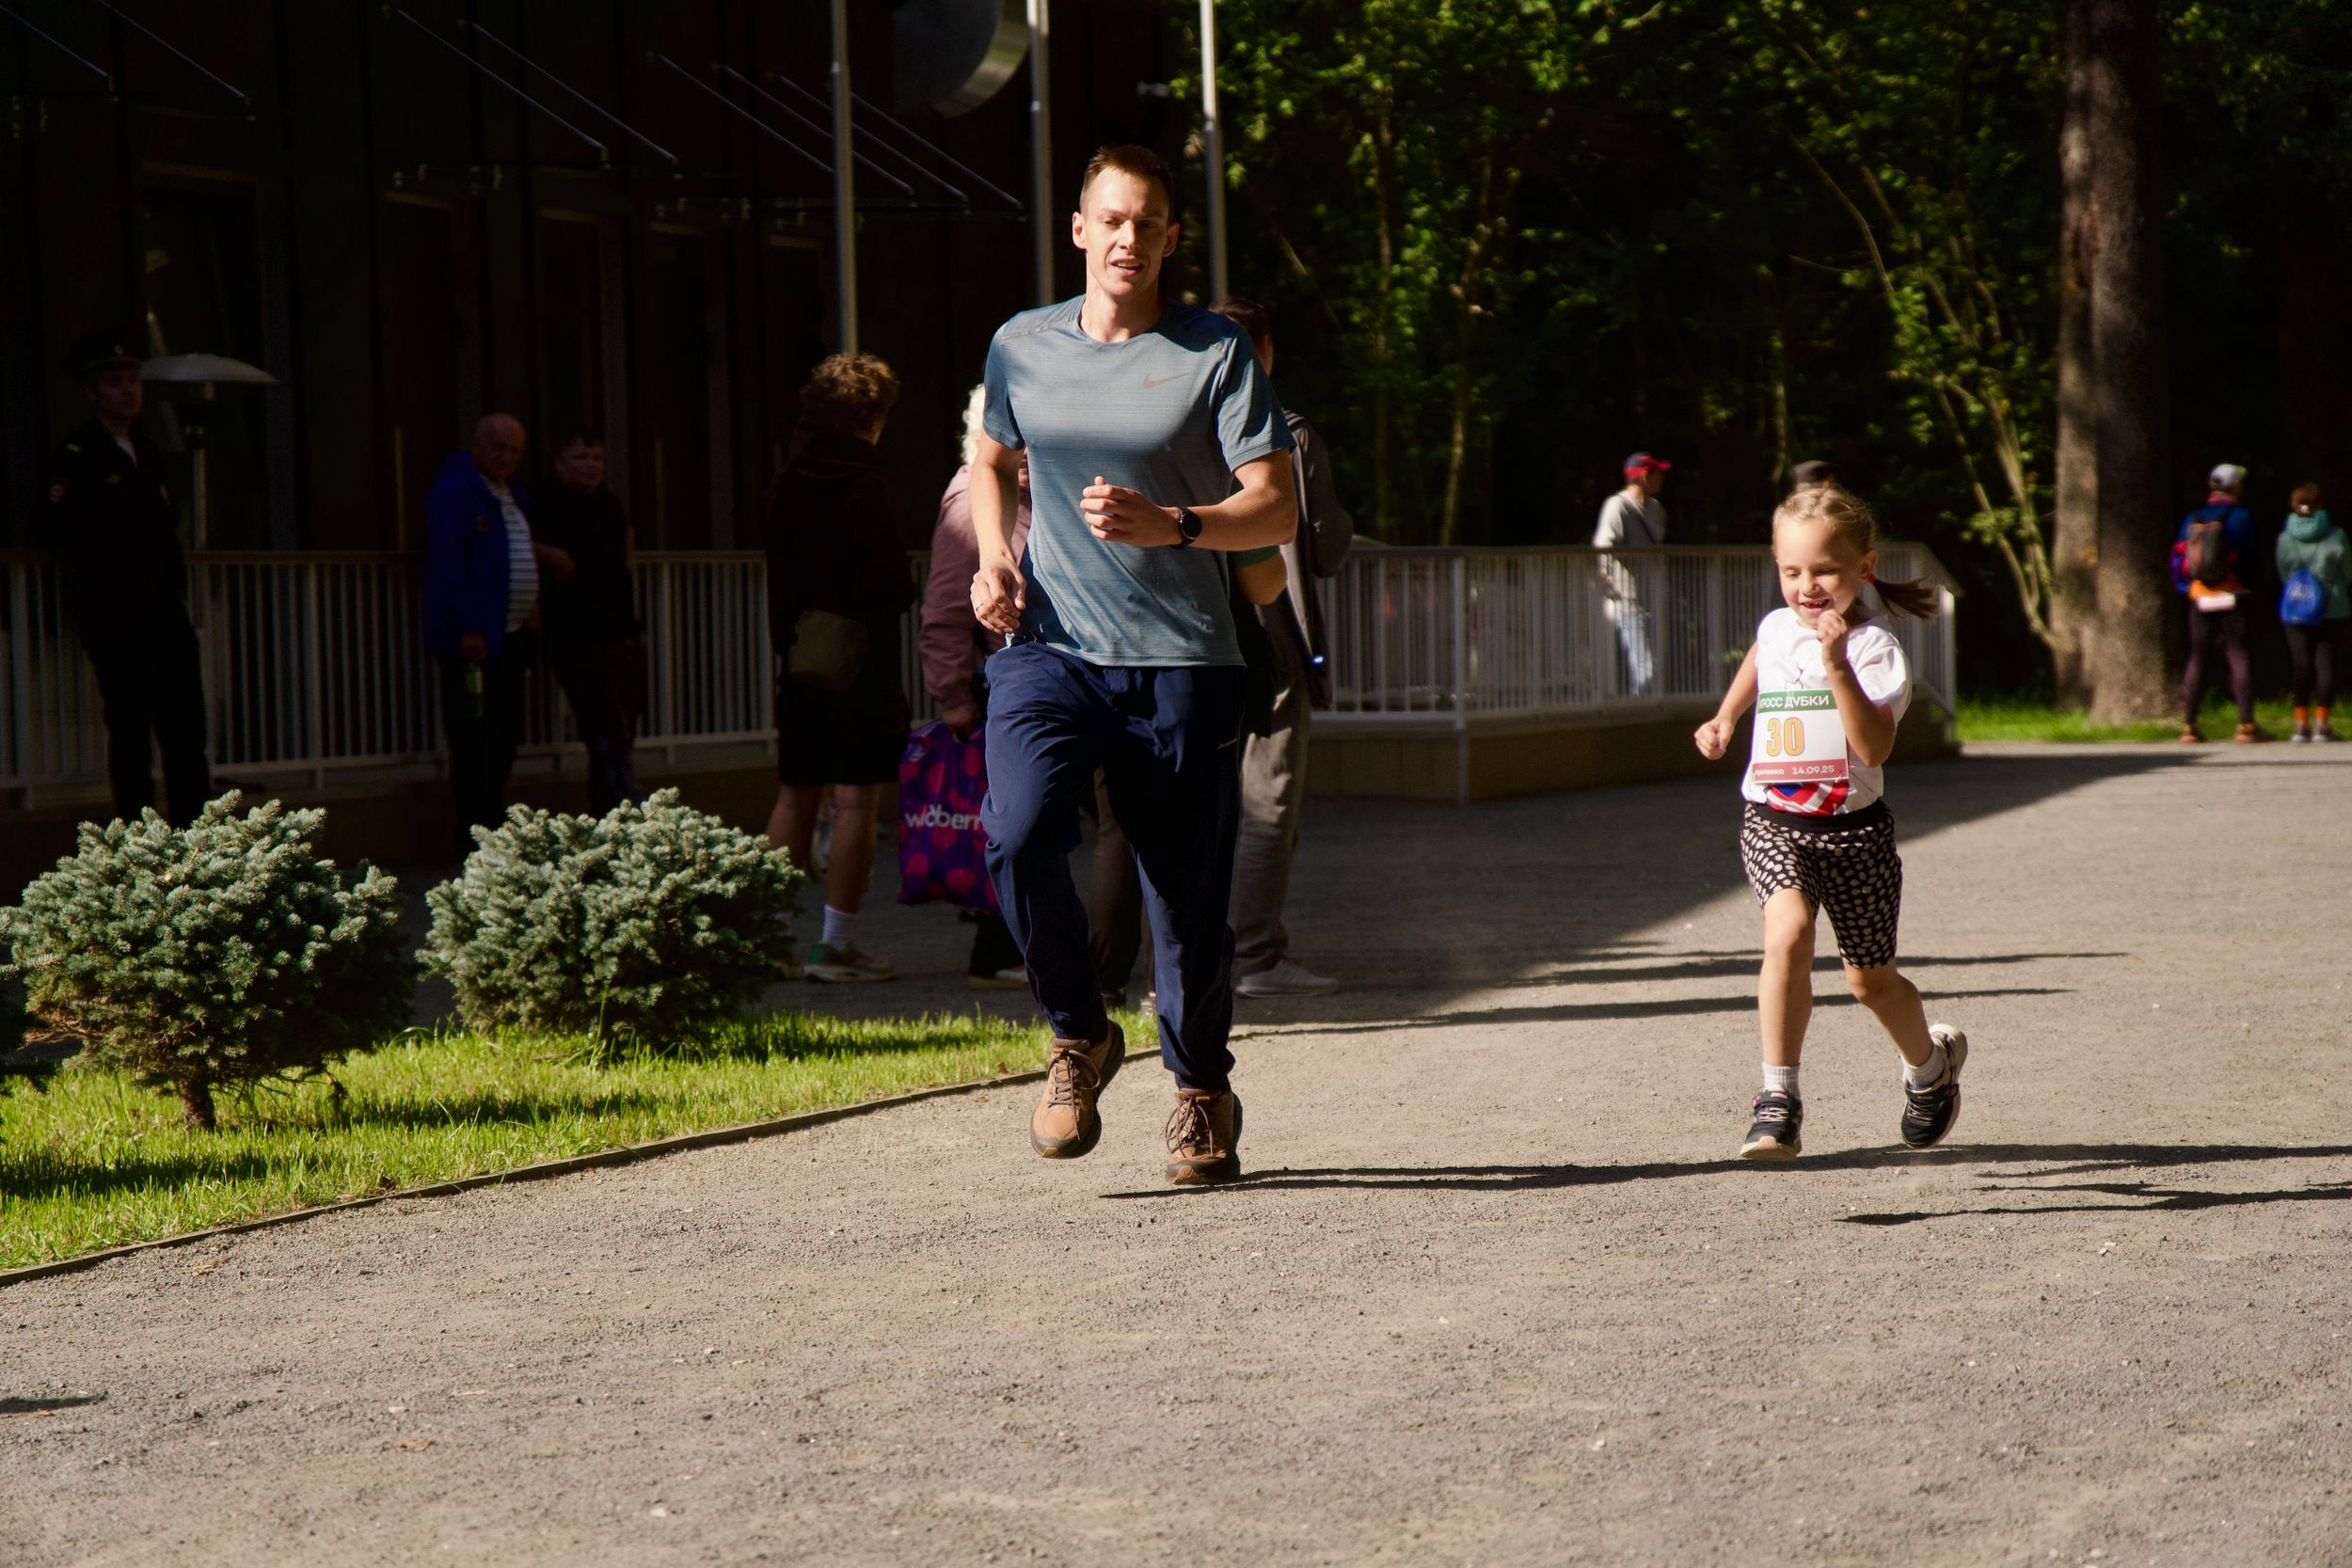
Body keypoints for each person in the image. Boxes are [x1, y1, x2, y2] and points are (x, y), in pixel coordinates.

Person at [970, 143, 1298, 1187]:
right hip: (1050, 649)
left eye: (1148, 223)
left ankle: (1200, 1091)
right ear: (1079, 229)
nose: (1129, 238)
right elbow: (992, 456)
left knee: (1183, 900)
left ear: (1169, 238)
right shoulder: (1021, 345)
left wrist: (1176, 523)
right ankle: (1080, 1033)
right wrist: (994, 555)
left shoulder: (1213, 352)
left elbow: (1277, 507)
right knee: (1017, 832)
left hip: (1183, 660)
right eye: (1111, 219)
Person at [1692, 483, 1969, 1162]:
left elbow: (1873, 748)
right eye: (1791, 571)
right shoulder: (1777, 625)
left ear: (1864, 567)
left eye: (1824, 570)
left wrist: (1836, 663)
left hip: (1855, 833)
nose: (1807, 587)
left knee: (1871, 982)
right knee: (1786, 932)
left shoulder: (1874, 649)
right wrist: (1726, 715)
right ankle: (1777, 1097)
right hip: (1774, 818)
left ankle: (1930, 1069)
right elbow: (1761, 653)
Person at [1208, 296, 1356, 999]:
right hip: (1273, 632)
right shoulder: (1288, 434)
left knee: (1186, 798)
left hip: (1186, 632)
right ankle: (1256, 957)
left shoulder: (1173, 426)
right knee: (1267, 798)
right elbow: (1325, 546)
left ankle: (1172, 962)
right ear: (1264, 351)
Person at [764, 353, 914, 984]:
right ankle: (835, 946)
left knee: (795, 794)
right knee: (855, 800)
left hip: (800, 658)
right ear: (871, 418)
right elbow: (889, 583)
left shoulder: (786, 480)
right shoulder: (866, 486)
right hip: (861, 664)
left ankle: (767, 936)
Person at [36, 328, 212, 826]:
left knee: (184, 725)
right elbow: (58, 531)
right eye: (114, 382)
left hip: (162, 608)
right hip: (115, 612)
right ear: (92, 392)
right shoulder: (78, 456)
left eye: (132, 380)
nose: (127, 390)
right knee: (130, 726)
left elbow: (165, 525)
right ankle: (136, 839)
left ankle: (196, 833)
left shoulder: (149, 451)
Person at [922, 387, 1032, 990]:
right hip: (994, 686)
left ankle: (1009, 948)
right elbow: (943, 611)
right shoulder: (971, 499)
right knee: (1012, 820)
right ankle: (997, 951)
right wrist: (954, 696)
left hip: (1030, 676)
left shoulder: (1033, 493)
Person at [422, 413, 550, 858]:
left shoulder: (514, 495)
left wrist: (529, 601)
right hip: (475, 643)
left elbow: (515, 552)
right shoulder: (456, 493)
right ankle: (473, 837)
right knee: (475, 741)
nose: (507, 458)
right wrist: (467, 627)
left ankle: (494, 826)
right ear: (477, 446)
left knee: (506, 736)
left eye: (515, 451)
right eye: (499, 448)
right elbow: (449, 566)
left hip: (512, 634)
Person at [532, 430, 647, 814]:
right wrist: (547, 554)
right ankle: (629, 809)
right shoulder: (546, 501)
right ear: (560, 462)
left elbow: (626, 542)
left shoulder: (609, 503)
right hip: (578, 634)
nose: (591, 465)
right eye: (581, 457)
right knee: (606, 728)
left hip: (621, 629)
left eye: (597, 458)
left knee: (623, 729)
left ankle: (606, 814)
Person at [2172, 462, 2261, 744]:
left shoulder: (2193, 517)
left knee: (2198, 657)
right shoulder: (2241, 517)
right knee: (2237, 654)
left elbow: (2179, 557)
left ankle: (2189, 727)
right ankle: (2246, 726)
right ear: (2234, 487)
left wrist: (2186, 588)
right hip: (2232, 593)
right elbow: (2251, 557)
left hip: (2199, 595)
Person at [2274, 483, 2347, 743]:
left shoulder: (2285, 538)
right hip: (2332, 608)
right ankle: (2322, 726)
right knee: (2325, 665)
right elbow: (2348, 573)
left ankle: (2300, 725)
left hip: (2296, 608)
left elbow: (2283, 573)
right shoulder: (2337, 535)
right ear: (2321, 506)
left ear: (2294, 507)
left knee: (2300, 664)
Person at [1595, 453, 1669, 696]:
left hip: (1654, 597)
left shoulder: (1656, 509)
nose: (1662, 479)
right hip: (1628, 599)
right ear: (1645, 476)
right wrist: (1607, 577)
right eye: (1657, 474)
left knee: (1654, 664)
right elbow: (1603, 544)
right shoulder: (1618, 506)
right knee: (1644, 665)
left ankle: (1643, 703)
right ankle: (1644, 706)